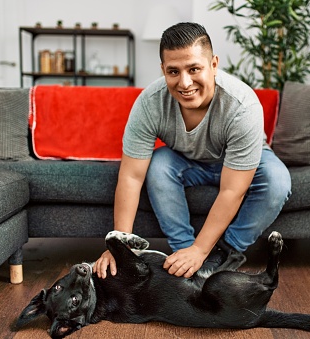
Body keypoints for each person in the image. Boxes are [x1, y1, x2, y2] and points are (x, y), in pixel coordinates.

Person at [94, 22, 291, 279]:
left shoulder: (242, 106)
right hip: (187, 162)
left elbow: (233, 189)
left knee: (277, 181)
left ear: (214, 64)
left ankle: (225, 251)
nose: (185, 83)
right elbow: (131, 177)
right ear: (163, 69)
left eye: (194, 69)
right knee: (159, 163)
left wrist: (202, 248)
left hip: (245, 162)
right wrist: (119, 245)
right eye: (173, 71)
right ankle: (182, 253)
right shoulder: (149, 104)